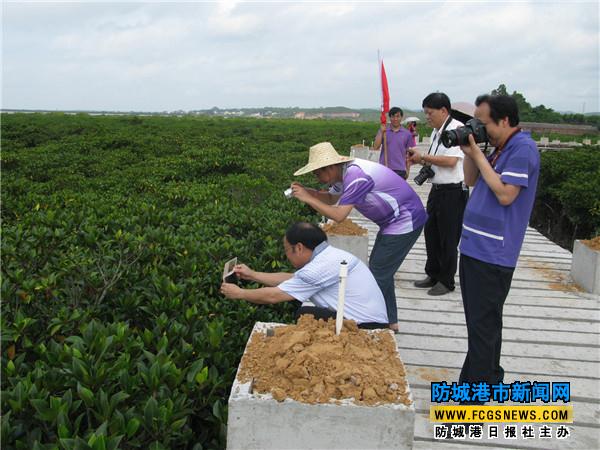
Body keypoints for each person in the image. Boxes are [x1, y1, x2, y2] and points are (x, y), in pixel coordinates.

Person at [289, 142, 427, 332]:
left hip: (405, 221)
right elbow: (330, 199)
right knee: (381, 272)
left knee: (379, 273)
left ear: (329, 167)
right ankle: (390, 321)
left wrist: (309, 198)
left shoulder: (356, 176)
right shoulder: (341, 175)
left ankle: (378, 325)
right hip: (391, 223)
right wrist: (307, 192)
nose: (316, 176)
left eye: (317, 172)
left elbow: (338, 215)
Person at [458, 94, 540, 393]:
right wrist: (471, 151)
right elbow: (470, 180)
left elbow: (506, 195)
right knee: (483, 323)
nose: (479, 128)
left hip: (492, 253)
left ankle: (473, 397)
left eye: (483, 123)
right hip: (474, 247)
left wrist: (479, 155)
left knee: (482, 327)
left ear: (504, 121)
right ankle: (490, 377)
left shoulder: (522, 149)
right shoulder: (499, 148)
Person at [220, 222, 389, 328]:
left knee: (304, 315)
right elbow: (293, 279)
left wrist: (239, 293)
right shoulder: (330, 256)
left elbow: (274, 296)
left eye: (287, 250)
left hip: (366, 328)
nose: (286, 255)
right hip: (373, 320)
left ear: (299, 248)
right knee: (305, 312)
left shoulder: (316, 270)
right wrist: (253, 275)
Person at [407, 93, 469, 296]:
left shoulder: (457, 130)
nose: (427, 117)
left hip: (453, 191)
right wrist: (420, 160)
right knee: (431, 232)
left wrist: (423, 155)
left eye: (430, 113)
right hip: (437, 189)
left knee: (448, 238)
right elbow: (436, 159)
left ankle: (446, 280)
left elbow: (451, 162)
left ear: (444, 110)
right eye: (425, 113)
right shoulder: (437, 131)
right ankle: (433, 273)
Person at [373, 107, 414, 179]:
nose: (395, 119)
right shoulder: (384, 131)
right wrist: (381, 132)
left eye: (398, 116)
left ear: (401, 117)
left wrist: (408, 170)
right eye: (393, 116)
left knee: (398, 190)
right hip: (384, 168)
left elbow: (410, 154)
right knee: (384, 190)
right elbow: (376, 147)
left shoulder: (407, 134)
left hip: (400, 170)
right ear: (390, 118)